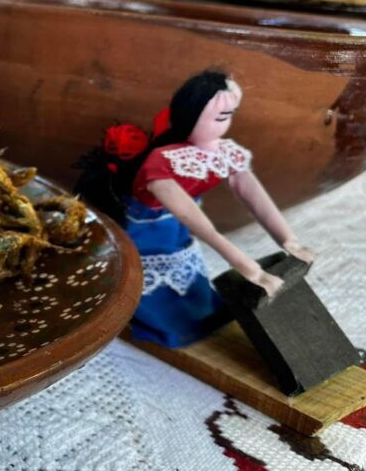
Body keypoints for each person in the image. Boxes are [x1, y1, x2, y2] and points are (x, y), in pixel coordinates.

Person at [75, 70, 316, 347]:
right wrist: (247, 267)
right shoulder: (161, 162)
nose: (225, 124)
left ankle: (197, 312)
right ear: (190, 116)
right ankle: (161, 321)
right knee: (159, 276)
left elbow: (252, 193)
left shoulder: (222, 150)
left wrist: (288, 239)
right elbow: (202, 227)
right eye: (220, 117)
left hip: (177, 225)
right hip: (150, 230)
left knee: (188, 271)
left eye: (229, 116)